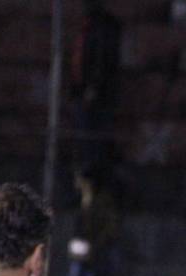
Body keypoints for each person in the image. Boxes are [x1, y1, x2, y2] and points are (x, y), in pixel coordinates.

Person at [70, 0, 121, 169]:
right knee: (87, 136)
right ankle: (88, 171)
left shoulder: (100, 28)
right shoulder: (87, 26)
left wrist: (92, 87)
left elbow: (102, 60)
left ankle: (91, 173)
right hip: (85, 91)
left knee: (92, 137)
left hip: (95, 94)